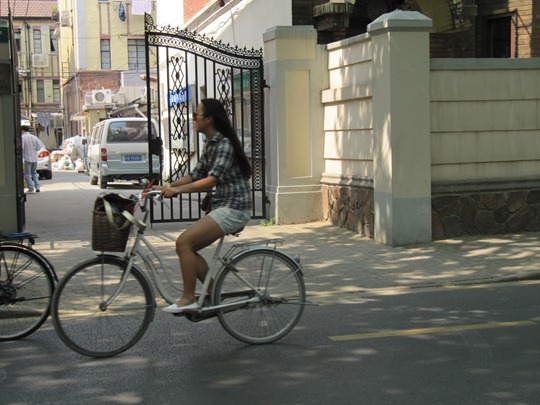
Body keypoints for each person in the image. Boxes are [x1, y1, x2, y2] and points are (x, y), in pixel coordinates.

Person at [153, 98, 253, 313]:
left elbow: (211, 180)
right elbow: (196, 174)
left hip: (235, 207)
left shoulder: (224, 144)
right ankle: (214, 292)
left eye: (195, 115)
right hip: (223, 206)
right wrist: (167, 186)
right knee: (187, 247)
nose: (192, 119)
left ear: (209, 119)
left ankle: (188, 297)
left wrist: (177, 191)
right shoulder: (211, 143)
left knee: (184, 243)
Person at [21, 125, 42, 193]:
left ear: (23, 130)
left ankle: (31, 188)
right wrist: (34, 150)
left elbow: (22, 148)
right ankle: (38, 187)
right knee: (34, 173)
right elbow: (39, 147)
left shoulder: (23, 137)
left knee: (27, 174)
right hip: (34, 158)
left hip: (27, 158)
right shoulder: (34, 137)